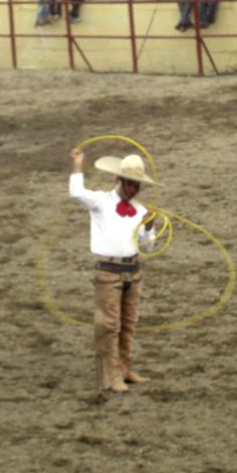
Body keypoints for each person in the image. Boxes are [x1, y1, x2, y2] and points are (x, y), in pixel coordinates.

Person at [69, 148, 157, 393]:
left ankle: (124, 369)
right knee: (109, 325)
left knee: (128, 323)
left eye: (136, 185)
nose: (132, 189)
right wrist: (78, 164)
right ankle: (110, 376)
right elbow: (76, 192)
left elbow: (148, 247)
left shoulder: (140, 211)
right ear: (118, 181)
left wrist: (149, 227)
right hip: (108, 272)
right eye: (129, 184)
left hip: (133, 271)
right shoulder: (101, 201)